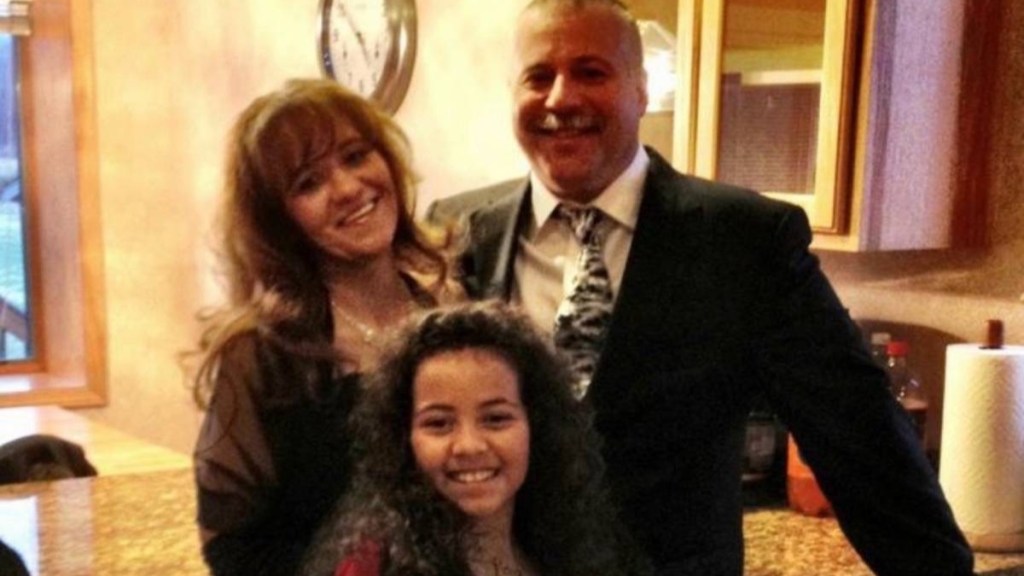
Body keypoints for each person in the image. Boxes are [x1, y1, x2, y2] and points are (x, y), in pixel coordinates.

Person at [427, 1, 974, 575]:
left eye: (591, 72)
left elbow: (863, 444)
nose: (561, 98)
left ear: (641, 90)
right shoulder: (454, 233)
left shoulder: (744, 241)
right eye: (539, 76)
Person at [189, 78, 460, 576]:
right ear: (279, 220)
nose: (348, 189)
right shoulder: (261, 355)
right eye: (308, 184)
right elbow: (231, 546)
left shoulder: (457, 311)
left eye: (356, 156)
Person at [302, 301, 648, 576]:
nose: (469, 445)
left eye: (496, 419)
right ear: (403, 437)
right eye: (439, 424)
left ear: (536, 425)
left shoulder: (582, 550)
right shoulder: (371, 567)